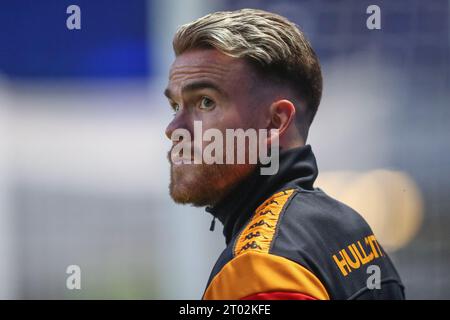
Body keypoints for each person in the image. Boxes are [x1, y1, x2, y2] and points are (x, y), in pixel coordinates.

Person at [164, 8, 405, 300]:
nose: (173, 128)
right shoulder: (350, 226)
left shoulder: (259, 269)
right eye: (175, 106)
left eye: (204, 102)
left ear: (275, 122)